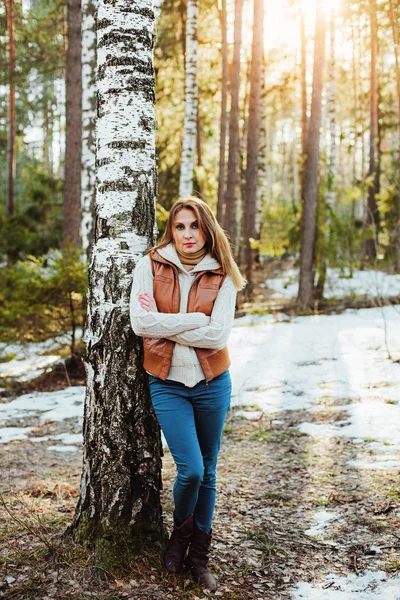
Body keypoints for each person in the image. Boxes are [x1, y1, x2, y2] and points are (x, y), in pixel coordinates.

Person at [130, 197, 246, 591]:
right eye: (180, 227)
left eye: (194, 226)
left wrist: (168, 325)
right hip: (166, 382)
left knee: (208, 471)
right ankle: (178, 539)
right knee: (191, 470)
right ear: (171, 230)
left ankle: (197, 556)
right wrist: (194, 319)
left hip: (213, 383)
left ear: (206, 229)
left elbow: (217, 334)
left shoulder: (223, 272)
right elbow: (140, 322)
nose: (188, 235)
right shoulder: (151, 264)